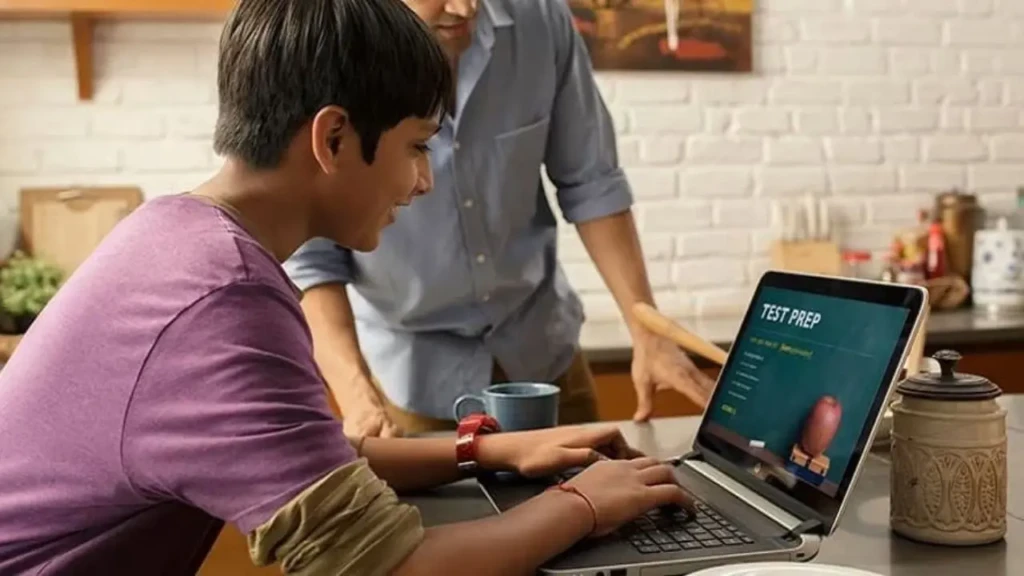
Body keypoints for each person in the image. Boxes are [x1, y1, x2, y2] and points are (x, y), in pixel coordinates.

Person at [0, 1, 692, 574]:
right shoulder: (224, 302)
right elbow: (386, 566)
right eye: (417, 147)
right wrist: (585, 503)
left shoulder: (179, 237)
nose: (424, 182)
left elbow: (319, 460)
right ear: (332, 139)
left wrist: (483, 449)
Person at [284, 0, 717, 439]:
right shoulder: (327, 54)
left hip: (546, 362)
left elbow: (593, 183)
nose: (465, 7)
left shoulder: (541, 18)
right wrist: (357, 395)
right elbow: (312, 259)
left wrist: (645, 328)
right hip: (415, 386)